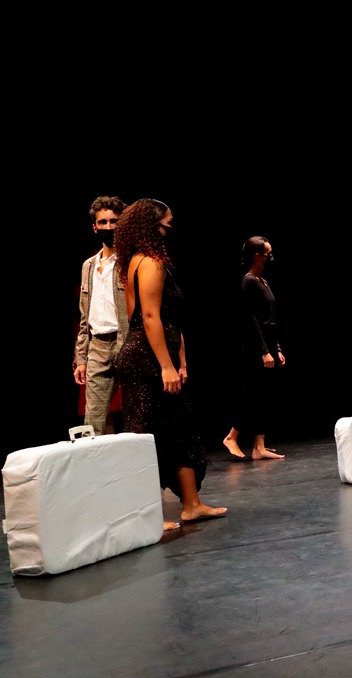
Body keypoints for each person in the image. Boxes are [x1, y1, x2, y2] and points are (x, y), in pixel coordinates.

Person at [114, 198, 227, 529]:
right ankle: (146, 513)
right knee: (145, 435)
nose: (170, 229)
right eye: (167, 223)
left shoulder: (140, 260)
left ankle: (192, 504)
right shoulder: (149, 262)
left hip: (156, 354)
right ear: (153, 225)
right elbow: (149, 318)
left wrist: (181, 360)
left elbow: (171, 319)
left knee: (180, 430)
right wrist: (165, 365)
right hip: (145, 359)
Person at [222, 236, 288, 460]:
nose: (271, 257)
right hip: (255, 345)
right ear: (258, 256)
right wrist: (264, 351)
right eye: (268, 253)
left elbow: (270, 318)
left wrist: (276, 348)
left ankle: (259, 447)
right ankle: (231, 436)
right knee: (253, 393)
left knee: (264, 395)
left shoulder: (263, 281)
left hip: (268, 342)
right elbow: (249, 320)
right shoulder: (248, 282)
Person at [73, 195, 128, 435]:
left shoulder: (130, 261)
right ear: (94, 227)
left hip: (126, 342)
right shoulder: (89, 265)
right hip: (97, 346)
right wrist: (81, 358)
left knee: (137, 411)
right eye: (103, 222)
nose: (108, 227)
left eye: (114, 221)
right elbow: (84, 316)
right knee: (92, 419)